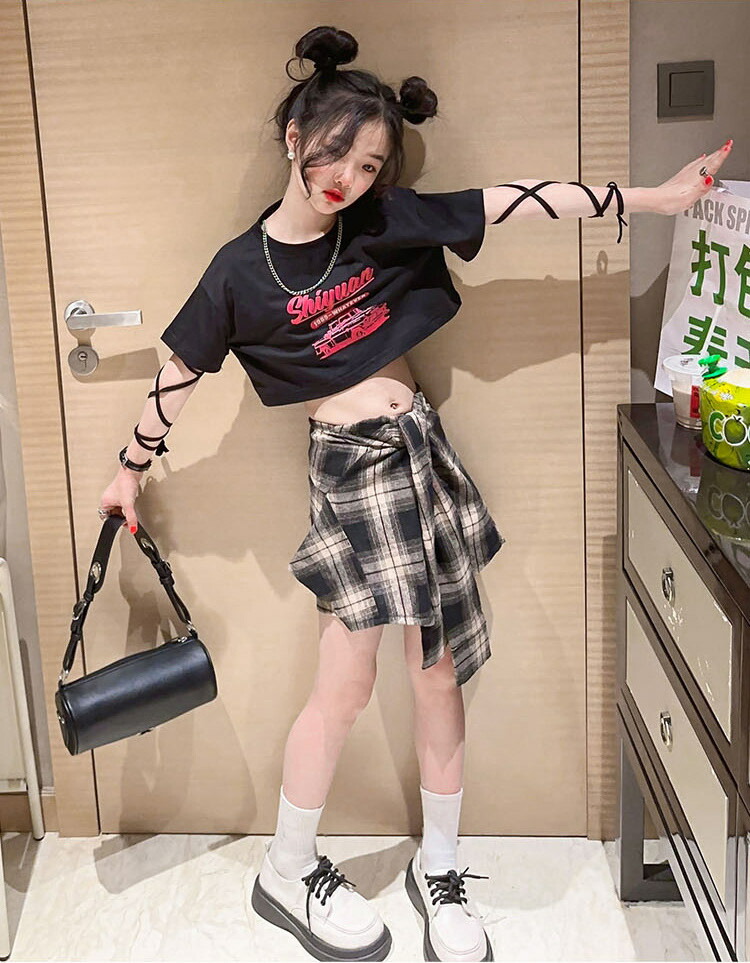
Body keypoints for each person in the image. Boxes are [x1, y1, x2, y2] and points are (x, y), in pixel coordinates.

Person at [98, 23, 732, 963]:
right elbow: (179, 372)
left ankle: (440, 869)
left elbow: (509, 203)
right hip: (349, 471)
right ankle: (287, 865)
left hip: (420, 451)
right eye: (335, 153)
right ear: (294, 137)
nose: (346, 178)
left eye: (369, 165)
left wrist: (653, 197)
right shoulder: (238, 271)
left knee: (437, 672)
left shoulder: (380, 223)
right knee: (346, 683)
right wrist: (131, 466)